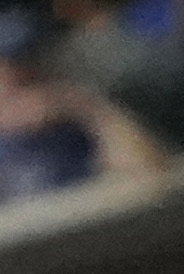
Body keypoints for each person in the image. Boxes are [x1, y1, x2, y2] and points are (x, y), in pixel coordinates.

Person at [0, 6, 163, 203]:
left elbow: (151, 179)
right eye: (6, 65)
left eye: (28, 60)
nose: (19, 74)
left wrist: (89, 111)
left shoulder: (77, 116)